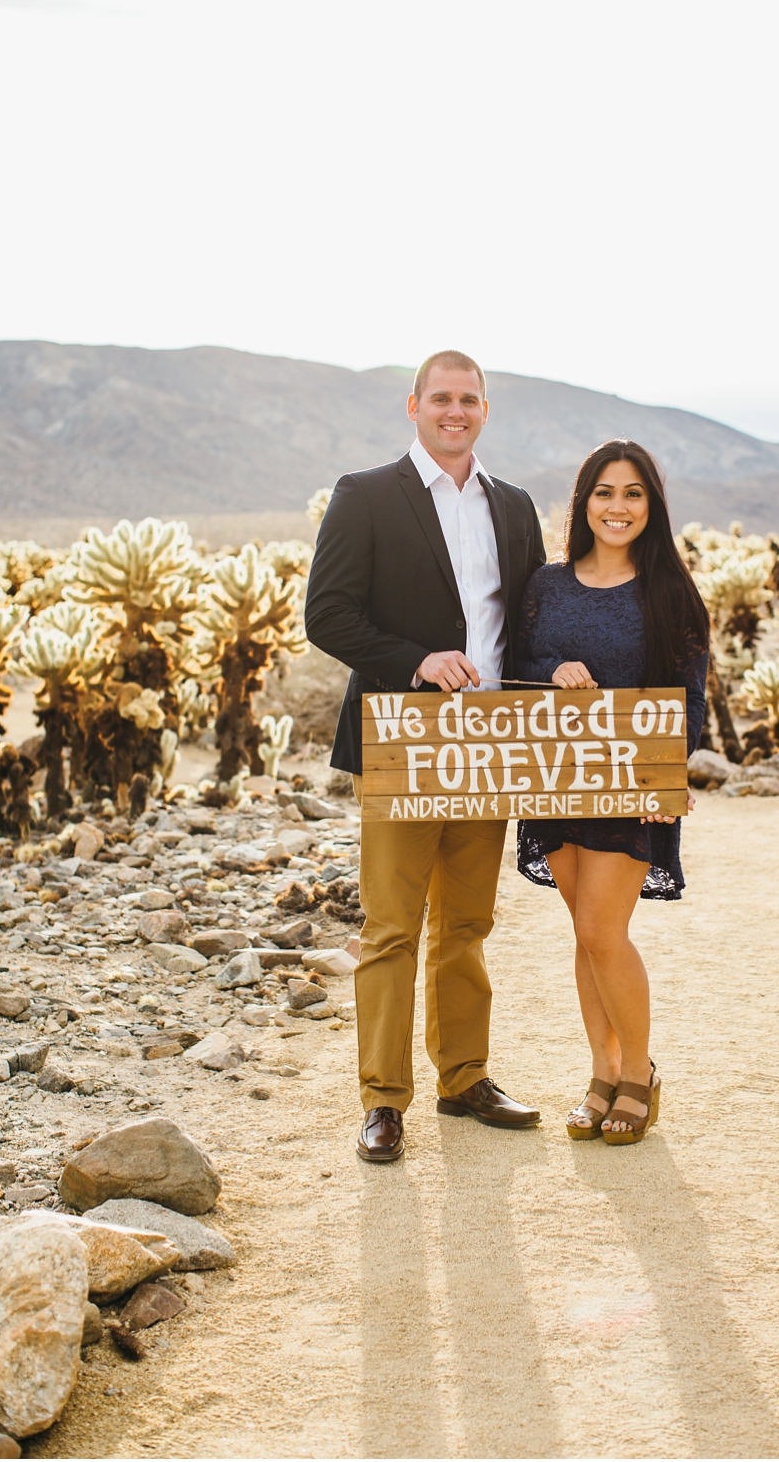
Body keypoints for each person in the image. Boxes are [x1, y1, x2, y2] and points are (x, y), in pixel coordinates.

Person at [307, 350, 549, 1163]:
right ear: (414, 405)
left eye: (470, 399)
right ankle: (382, 1101)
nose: (456, 411)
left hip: (487, 748)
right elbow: (328, 616)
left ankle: (465, 1077)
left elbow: (530, 618)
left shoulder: (513, 507)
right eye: (441, 398)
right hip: (403, 745)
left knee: (468, 924)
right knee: (390, 927)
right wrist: (416, 659)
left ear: (486, 409)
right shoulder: (366, 495)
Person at [507, 439, 709, 1146]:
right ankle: (602, 1070)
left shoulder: (670, 592)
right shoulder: (547, 585)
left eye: (632, 494)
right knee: (584, 934)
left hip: (632, 782)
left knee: (603, 929)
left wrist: (670, 775)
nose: (617, 507)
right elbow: (518, 666)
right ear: (583, 502)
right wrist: (556, 666)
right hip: (558, 778)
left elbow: (689, 696)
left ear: (650, 506)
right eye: (604, 492)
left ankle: (639, 1073)